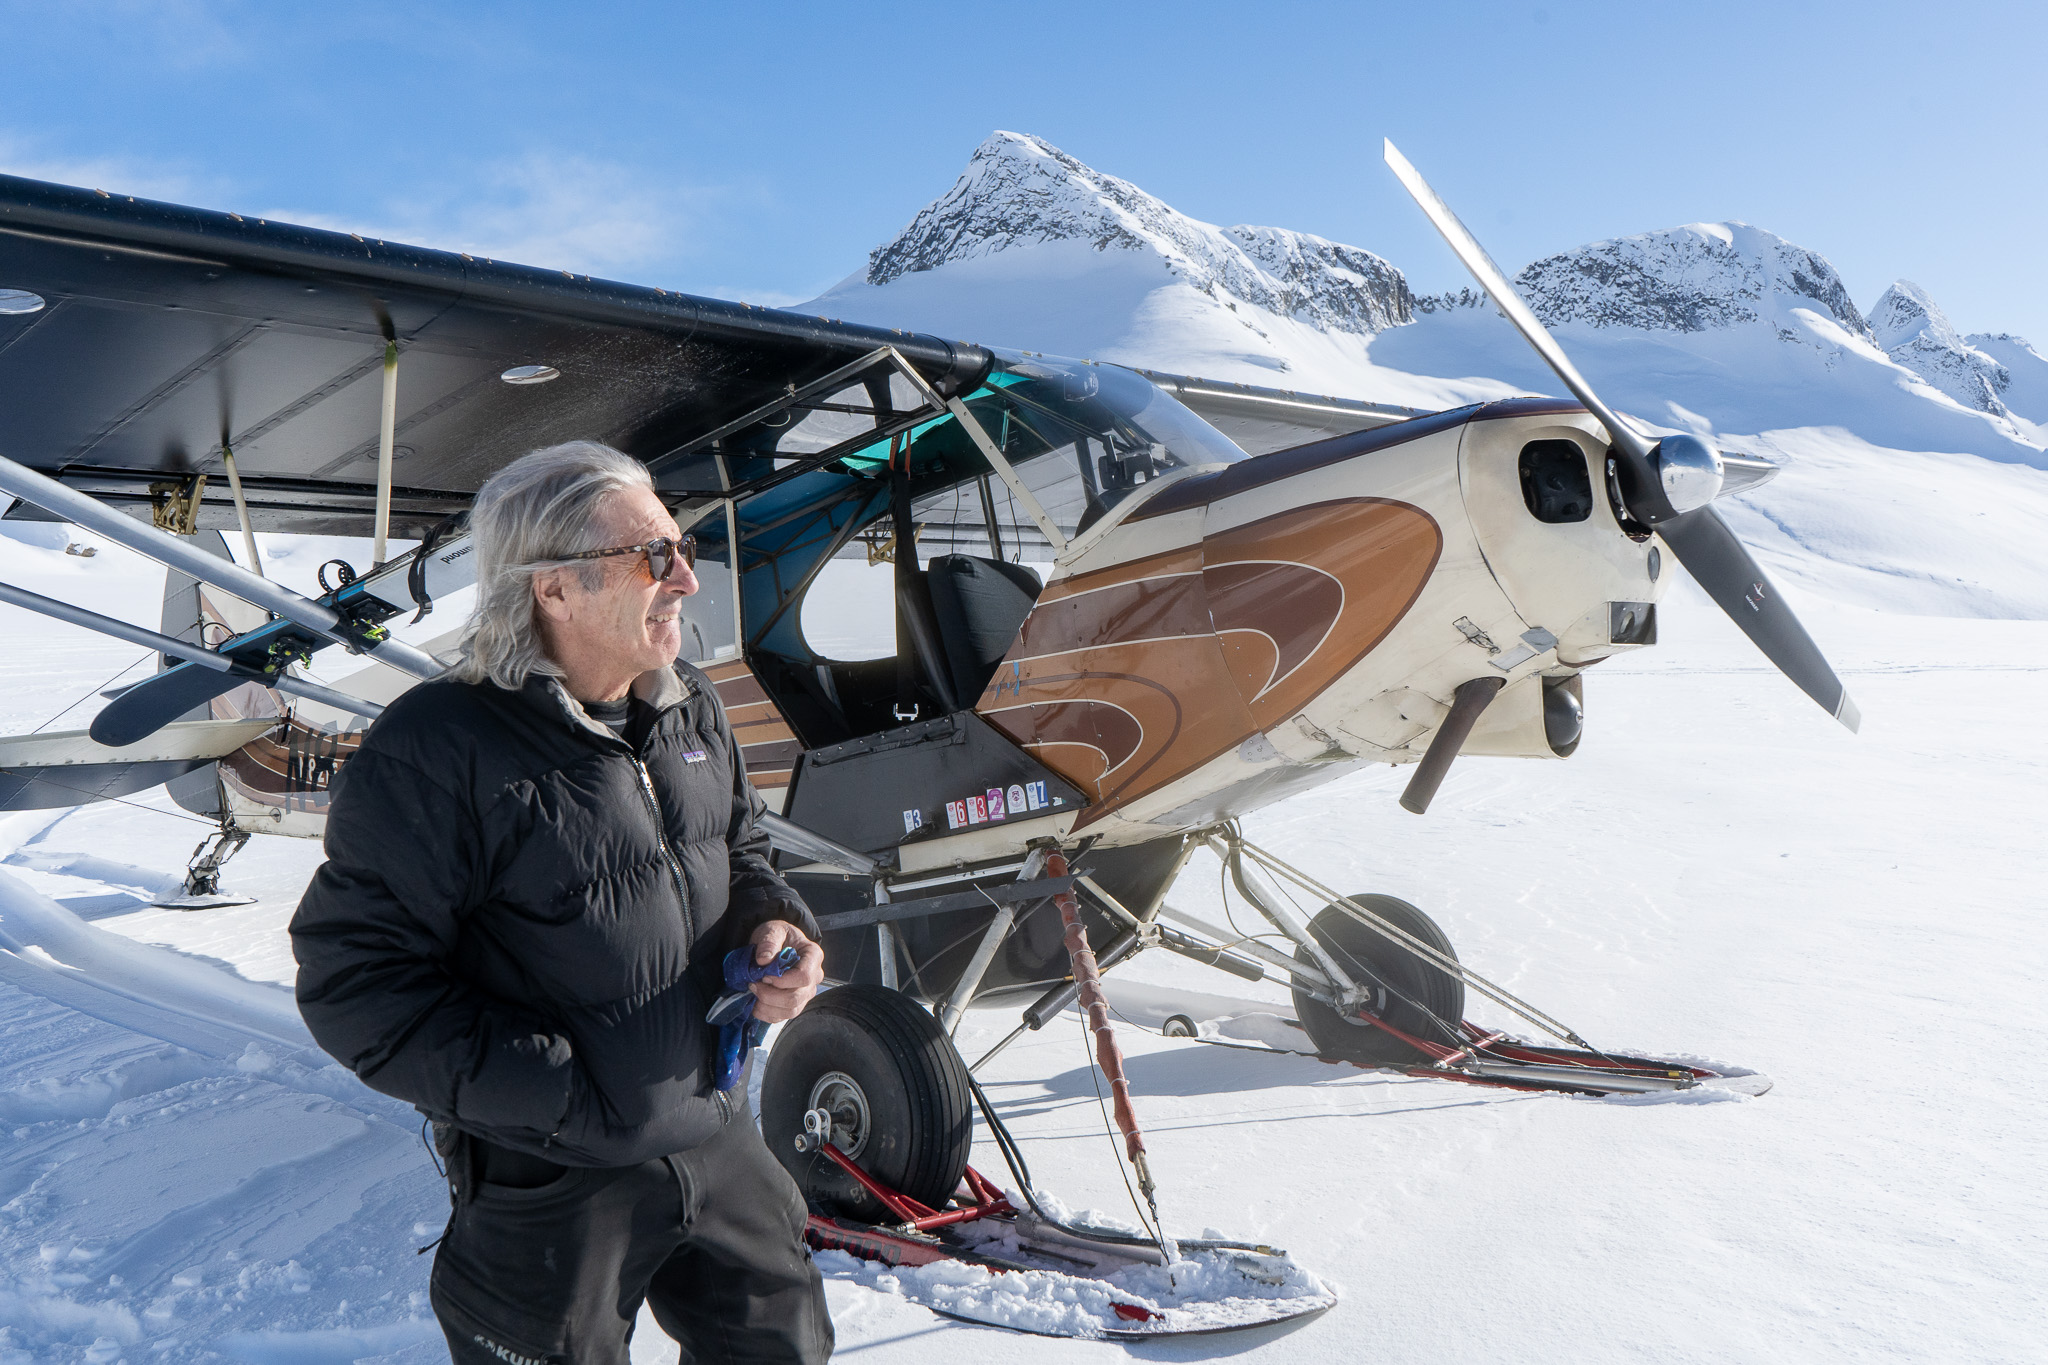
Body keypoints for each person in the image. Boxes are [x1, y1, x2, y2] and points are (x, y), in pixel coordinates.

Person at [290, 441, 833, 1365]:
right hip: (555, 1172)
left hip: (716, 1126)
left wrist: (775, 924)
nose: (687, 581)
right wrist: (565, 1097)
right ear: (555, 589)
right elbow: (354, 986)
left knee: (784, 1344)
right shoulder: (438, 747)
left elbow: (739, 846)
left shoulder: (689, 704)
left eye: (684, 548)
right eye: (654, 556)